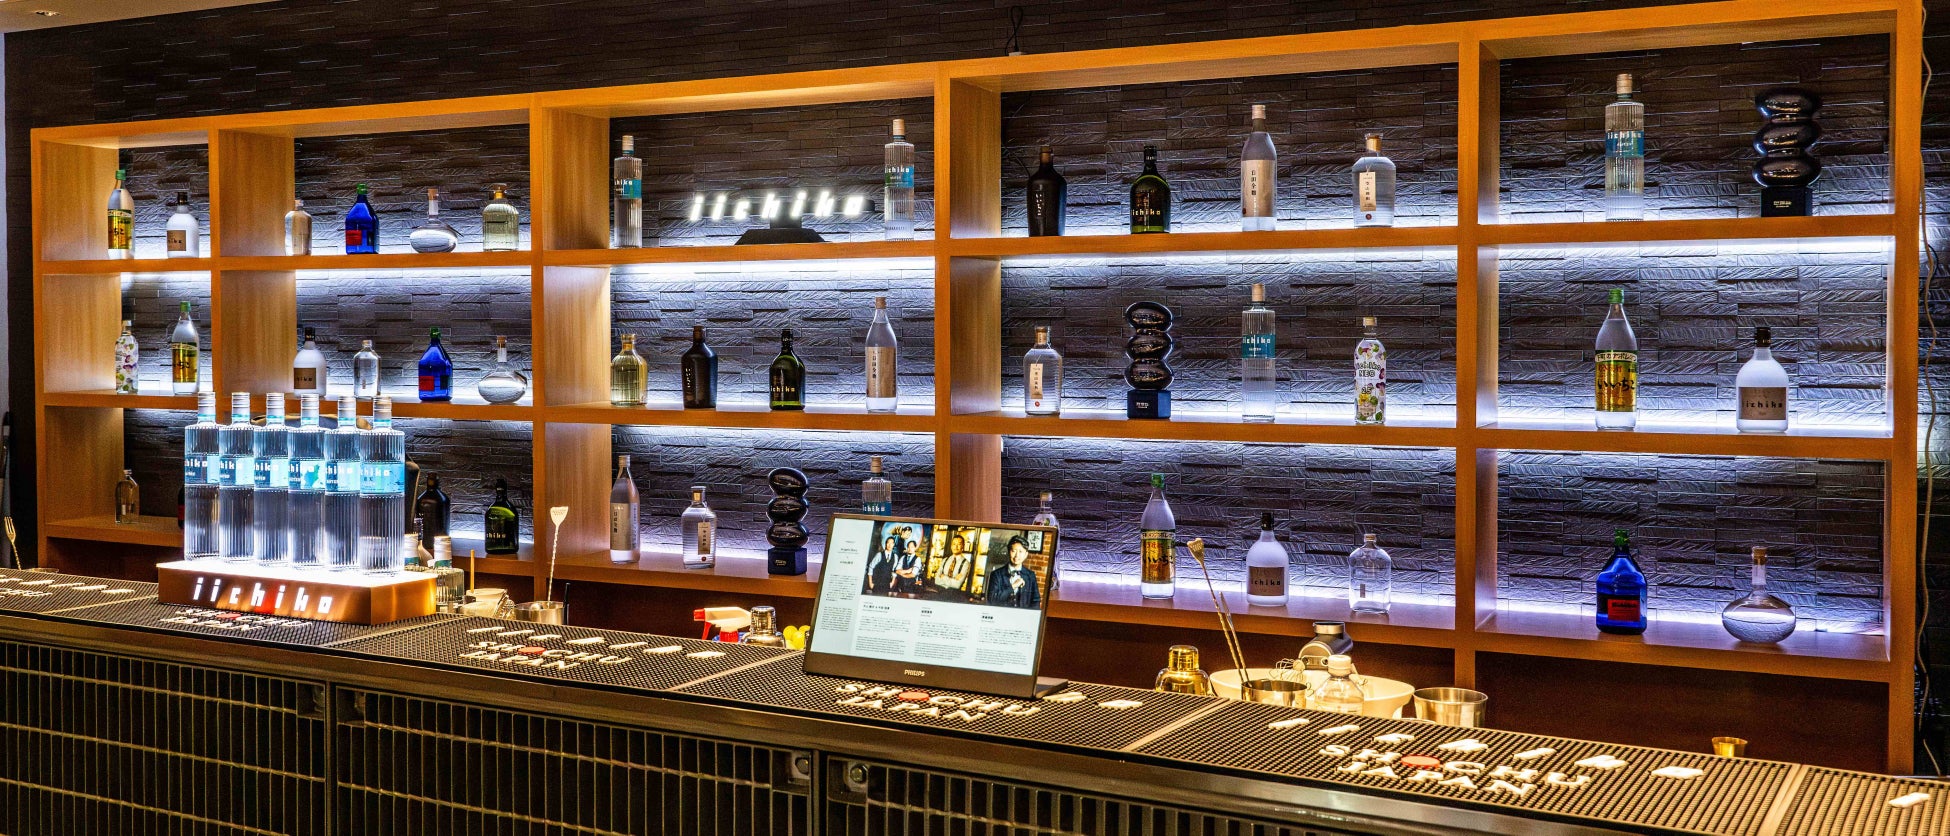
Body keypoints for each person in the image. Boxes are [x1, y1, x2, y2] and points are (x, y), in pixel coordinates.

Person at [985, 536, 1040, 609]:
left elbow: (1036, 601)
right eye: (1014, 551)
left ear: (1026, 554)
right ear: (1009, 552)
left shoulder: (1030, 575)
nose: (1017, 556)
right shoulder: (996, 574)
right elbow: (991, 600)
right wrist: (1013, 586)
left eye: (1020, 552)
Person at [864, 530, 899, 595]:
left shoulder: (895, 556)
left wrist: (892, 582)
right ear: (885, 544)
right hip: (877, 583)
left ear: (893, 544)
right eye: (888, 543)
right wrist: (870, 583)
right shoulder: (879, 555)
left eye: (891, 543)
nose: (889, 545)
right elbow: (870, 567)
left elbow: (894, 570)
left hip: (888, 584)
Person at [891, 528, 924, 595]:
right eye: (908, 547)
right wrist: (907, 571)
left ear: (915, 548)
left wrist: (902, 574)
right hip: (900, 585)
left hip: (911, 586)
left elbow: (913, 574)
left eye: (912, 547)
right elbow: (897, 571)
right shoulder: (903, 557)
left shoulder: (917, 559)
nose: (910, 549)